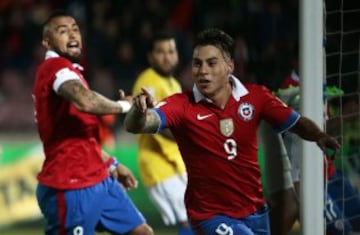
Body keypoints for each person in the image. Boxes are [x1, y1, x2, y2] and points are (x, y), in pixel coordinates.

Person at [124, 28, 340, 235]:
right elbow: (139, 125)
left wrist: (319, 136)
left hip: (255, 212)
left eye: (211, 63)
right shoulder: (182, 104)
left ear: (229, 66)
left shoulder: (256, 97)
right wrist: (138, 112)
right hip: (210, 215)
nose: (203, 71)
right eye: (197, 64)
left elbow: (296, 123)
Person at [32, 10, 153, 235]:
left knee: (141, 232)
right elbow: (85, 101)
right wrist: (125, 106)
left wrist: (112, 165)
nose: (72, 34)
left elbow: (81, 136)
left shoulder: (70, 71)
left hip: (98, 178)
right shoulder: (55, 68)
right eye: (63, 31)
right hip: (70, 184)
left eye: (75, 29)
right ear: (47, 42)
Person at [262, 61, 360, 235]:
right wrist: (345, 116)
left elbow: (323, 130)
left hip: (330, 172)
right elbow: (308, 132)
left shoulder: (318, 84)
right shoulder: (288, 90)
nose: (322, 61)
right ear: (299, 59)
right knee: (341, 231)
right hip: (310, 179)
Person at [131, 31, 194, 235]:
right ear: (151, 56)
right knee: (188, 221)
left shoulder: (173, 84)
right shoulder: (147, 82)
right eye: (160, 52)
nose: (167, 56)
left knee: (198, 217)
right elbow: (156, 124)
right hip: (158, 164)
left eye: (171, 51)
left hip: (175, 161)